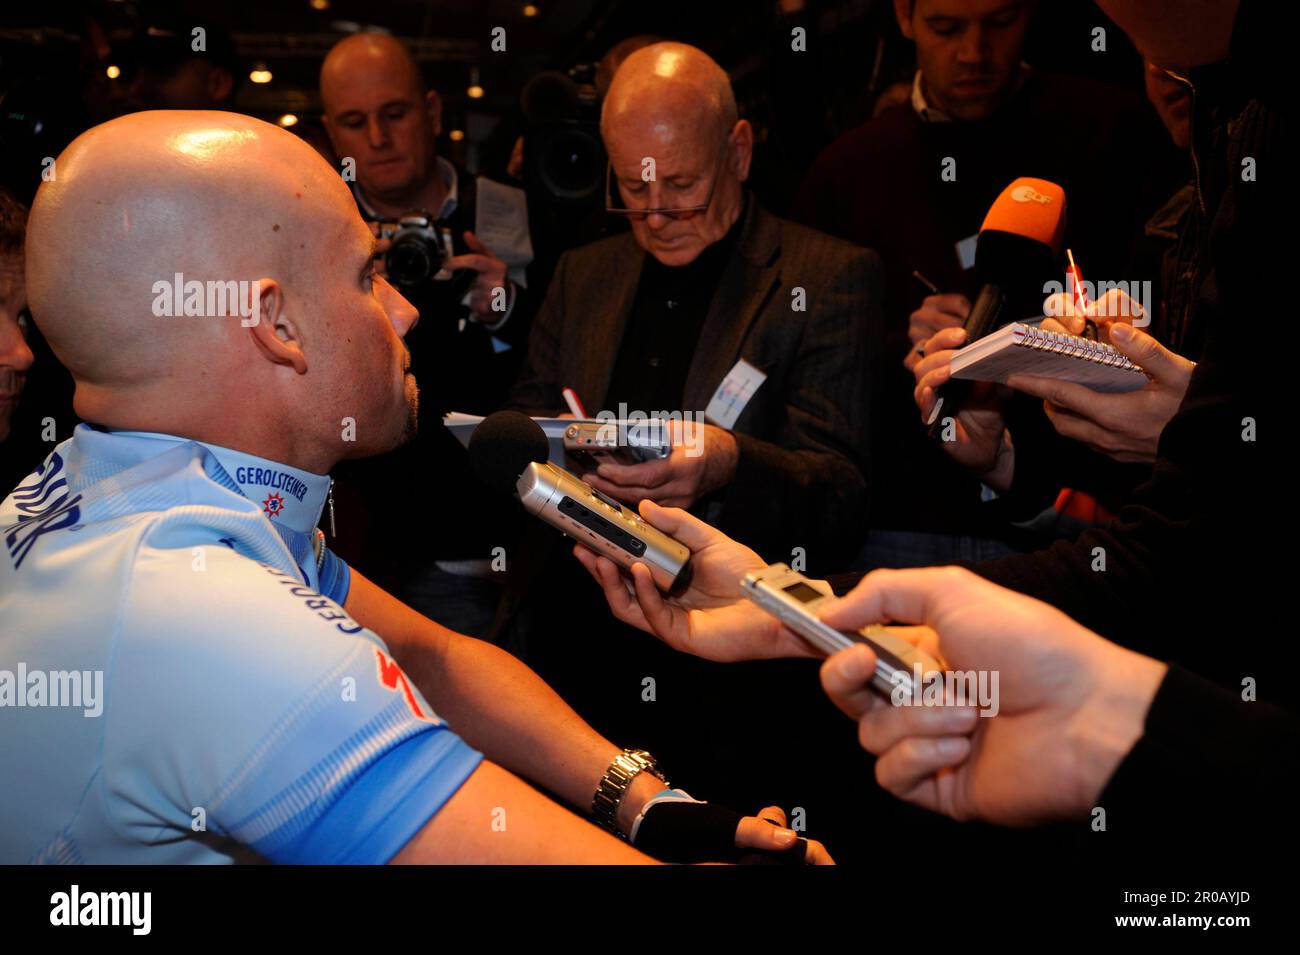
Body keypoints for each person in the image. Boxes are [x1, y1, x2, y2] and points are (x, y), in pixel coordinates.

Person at [0, 110, 831, 865]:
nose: (404, 311)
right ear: (277, 326)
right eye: (366, 276)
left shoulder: (117, 488)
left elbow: (433, 656)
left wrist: (646, 805)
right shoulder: (205, 619)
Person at [793, 0, 1178, 569]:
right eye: (946, 27)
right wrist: (898, 341)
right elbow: (807, 369)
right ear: (904, 16)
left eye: (1000, 23)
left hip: (1085, 523)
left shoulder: (1113, 130)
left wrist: (1087, 332)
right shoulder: (846, 170)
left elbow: (1175, 313)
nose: (974, 52)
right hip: (899, 519)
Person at [318, 33, 538, 635]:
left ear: (433, 113)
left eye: (395, 114)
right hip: (368, 546)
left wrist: (506, 308)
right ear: (332, 133)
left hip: (514, 535)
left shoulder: (509, 211)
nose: (379, 139)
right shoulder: (318, 231)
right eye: (355, 122)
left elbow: (572, 361)